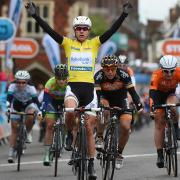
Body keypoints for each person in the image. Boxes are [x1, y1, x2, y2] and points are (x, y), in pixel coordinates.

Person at [25, 1, 133, 177]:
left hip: (90, 91)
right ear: (75, 30)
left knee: (89, 128)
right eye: (79, 28)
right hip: (73, 88)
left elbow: (112, 31)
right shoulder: (68, 43)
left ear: (88, 30)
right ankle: (69, 133)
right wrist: (36, 15)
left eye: (85, 28)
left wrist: (124, 15)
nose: (82, 31)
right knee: (68, 111)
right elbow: (50, 32)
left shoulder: (95, 44)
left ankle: (90, 165)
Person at [94, 55, 143, 169]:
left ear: (116, 68)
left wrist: (139, 105)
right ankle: (100, 137)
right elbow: (98, 95)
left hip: (121, 100)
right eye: (107, 69)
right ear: (103, 68)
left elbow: (132, 92)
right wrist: (99, 107)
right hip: (105, 98)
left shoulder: (124, 75)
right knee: (104, 110)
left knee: (126, 127)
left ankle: (119, 153)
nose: (110, 72)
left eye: (112, 69)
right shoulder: (98, 76)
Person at [149, 55, 180, 168]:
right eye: (166, 71)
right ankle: (160, 155)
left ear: (175, 68)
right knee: (159, 124)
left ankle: (176, 128)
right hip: (158, 96)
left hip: (170, 94)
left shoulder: (178, 72)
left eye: (171, 71)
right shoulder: (156, 75)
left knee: (173, 106)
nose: (169, 74)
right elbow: (152, 93)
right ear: (161, 69)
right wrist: (152, 107)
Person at [6, 70, 40, 163]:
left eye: (23, 82)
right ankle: (11, 151)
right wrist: (8, 108)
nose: (21, 84)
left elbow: (36, 101)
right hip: (16, 105)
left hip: (28, 105)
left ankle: (28, 132)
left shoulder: (31, 88)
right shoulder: (12, 86)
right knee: (14, 128)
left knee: (31, 114)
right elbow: (9, 99)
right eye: (18, 82)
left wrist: (40, 111)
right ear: (16, 81)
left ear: (27, 82)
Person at [41, 64, 68, 166]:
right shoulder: (50, 83)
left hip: (64, 103)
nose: (61, 81)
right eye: (59, 78)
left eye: (63, 78)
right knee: (49, 126)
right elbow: (46, 100)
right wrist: (44, 109)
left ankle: (65, 137)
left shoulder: (70, 84)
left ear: (67, 78)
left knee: (68, 119)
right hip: (52, 103)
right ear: (55, 77)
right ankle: (47, 153)